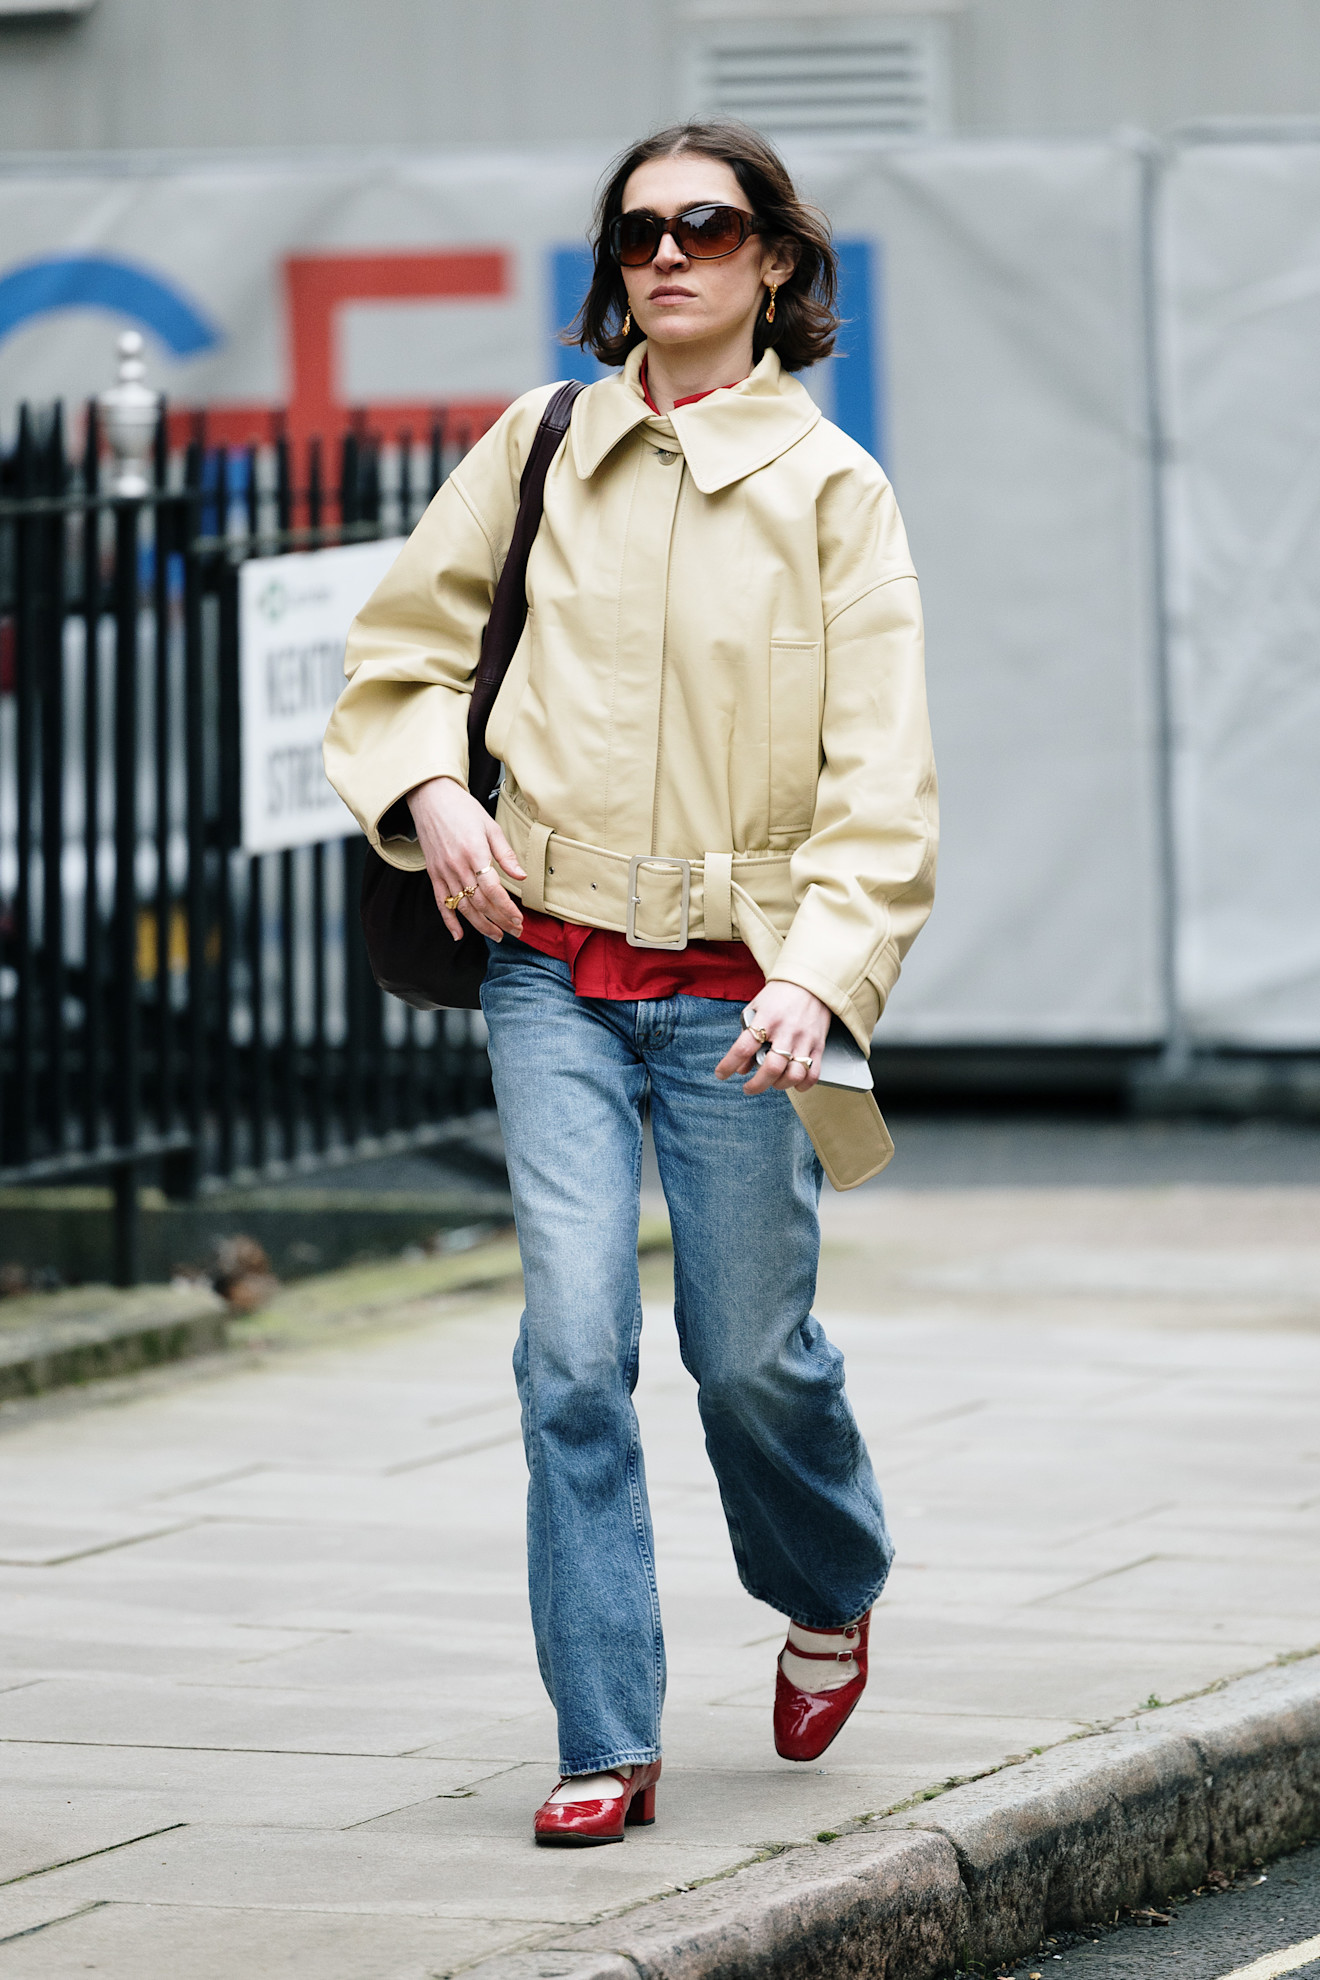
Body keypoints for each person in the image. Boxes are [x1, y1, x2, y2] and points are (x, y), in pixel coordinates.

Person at [324, 119, 937, 1848]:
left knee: (749, 1359)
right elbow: (405, 652)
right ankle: (607, 1736)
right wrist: (431, 788)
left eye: (710, 226)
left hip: (746, 1003)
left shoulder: (835, 491)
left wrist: (822, 976)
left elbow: (883, 785)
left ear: (774, 264)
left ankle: (833, 1574)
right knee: (573, 1357)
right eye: (641, 231)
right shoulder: (539, 444)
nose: (670, 255)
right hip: (549, 970)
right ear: (615, 267)